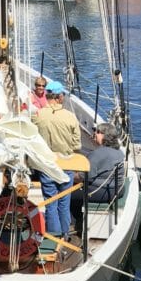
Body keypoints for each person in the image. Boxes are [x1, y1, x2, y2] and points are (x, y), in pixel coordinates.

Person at [35, 81, 81, 236]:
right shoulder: (70, 117)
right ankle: (65, 233)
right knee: (64, 201)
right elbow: (76, 144)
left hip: (46, 165)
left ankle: (54, 235)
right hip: (65, 164)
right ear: (60, 96)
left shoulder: (39, 115)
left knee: (50, 202)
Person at [70, 124, 125, 231]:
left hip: (102, 191)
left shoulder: (98, 153)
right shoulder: (118, 152)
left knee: (67, 192)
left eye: (98, 132)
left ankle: (73, 223)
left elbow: (83, 177)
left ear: (105, 136)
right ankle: (79, 219)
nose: (95, 133)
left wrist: (68, 176)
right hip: (118, 189)